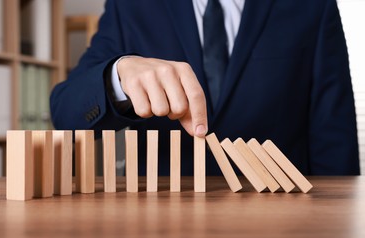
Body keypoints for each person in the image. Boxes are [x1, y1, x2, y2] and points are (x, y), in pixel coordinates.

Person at [50, 0, 360, 176]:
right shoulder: (131, 6)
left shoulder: (311, 7)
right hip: (159, 224)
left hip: (280, 219)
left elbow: (334, 135)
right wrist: (118, 77)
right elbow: (66, 112)